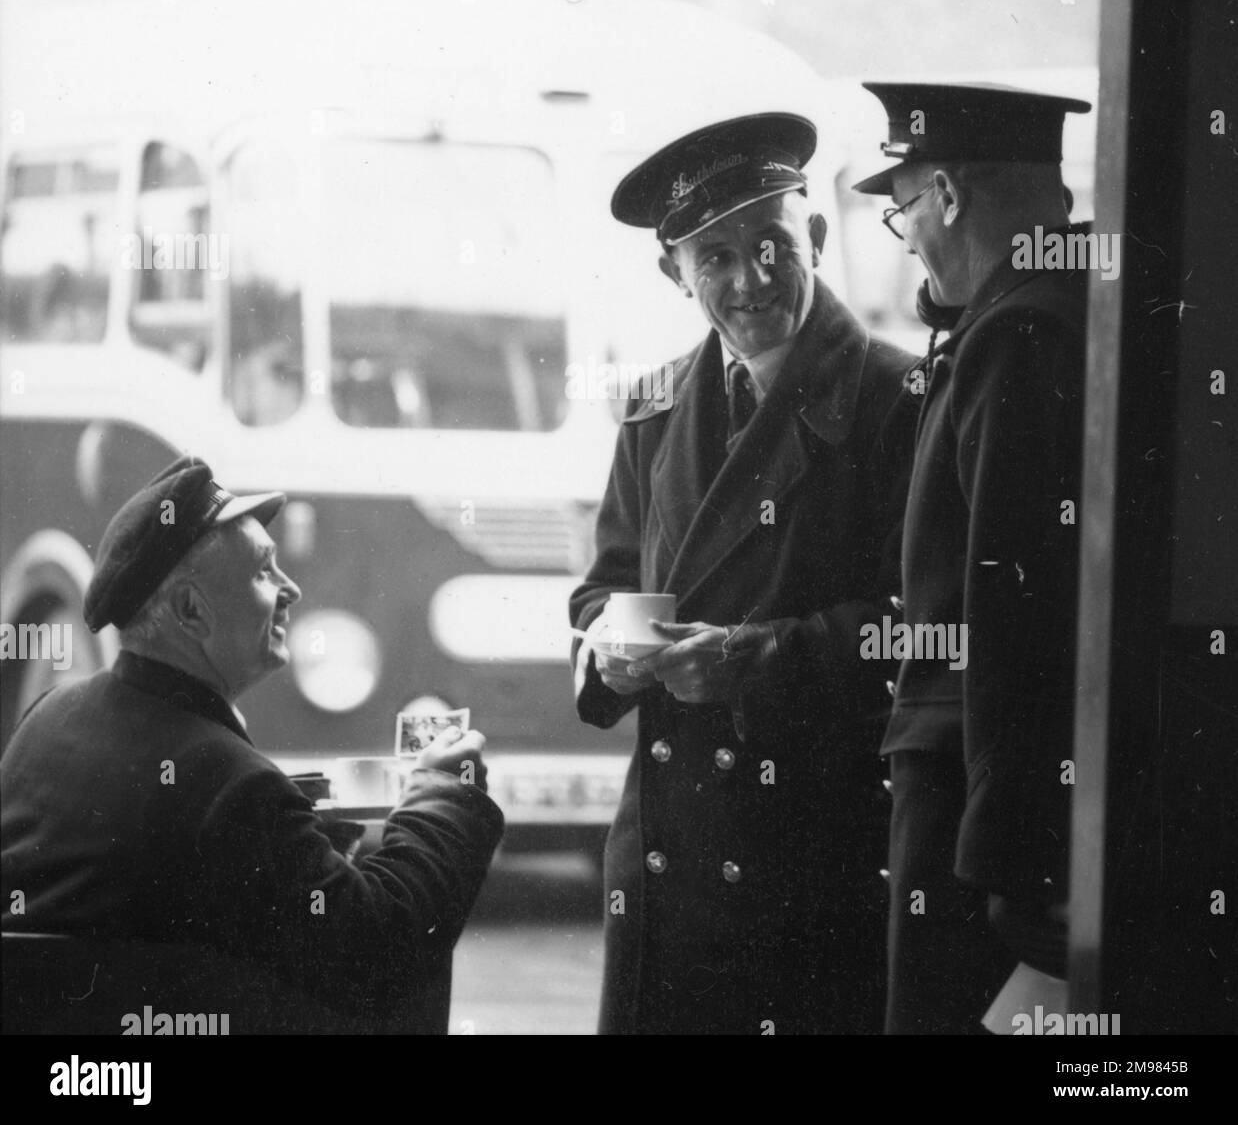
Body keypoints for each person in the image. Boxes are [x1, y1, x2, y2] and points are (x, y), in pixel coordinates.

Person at [570, 112, 918, 1034]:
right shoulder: (650, 407)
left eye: (770, 245)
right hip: (665, 864)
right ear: (674, 274)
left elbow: (925, 628)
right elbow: (599, 589)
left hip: (812, 867)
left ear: (813, 236)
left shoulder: (901, 399)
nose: (748, 280)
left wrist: (748, 660)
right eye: (714, 258)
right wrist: (606, 647)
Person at [0, 455, 503, 1033]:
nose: (291, 588)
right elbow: (387, 953)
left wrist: (302, 848)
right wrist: (442, 795)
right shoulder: (229, 785)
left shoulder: (49, 717)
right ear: (191, 610)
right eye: (263, 572)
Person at [853, 81, 1093, 1034]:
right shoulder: (1057, 306)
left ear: (947, 194)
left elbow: (1016, 614)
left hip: (977, 820)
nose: (905, 235)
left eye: (903, 206)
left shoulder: (1017, 335)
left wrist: (1016, 873)